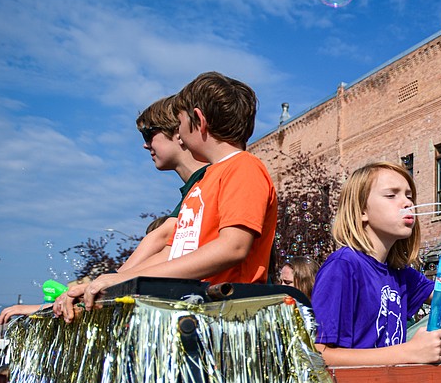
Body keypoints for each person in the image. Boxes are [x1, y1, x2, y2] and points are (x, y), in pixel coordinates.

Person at [56, 72, 278, 319]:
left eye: (180, 123)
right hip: (198, 313)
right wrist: (113, 281)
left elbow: (233, 247)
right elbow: (173, 252)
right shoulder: (204, 182)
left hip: (227, 317)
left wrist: (129, 278)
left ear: (199, 120)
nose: (179, 134)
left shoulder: (244, 167)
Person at [310, 162, 441, 366]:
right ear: (361, 211)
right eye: (391, 195)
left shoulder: (400, 274)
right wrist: (407, 352)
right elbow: (317, 355)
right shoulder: (343, 266)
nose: (407, 203)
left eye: (409, 196)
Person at [119, 97, 210, 271]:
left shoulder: (207, 178)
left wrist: (114, 279)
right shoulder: (195, 185)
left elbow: (163, 235)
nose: (145, 145)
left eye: (149, 134)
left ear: (178, 132)